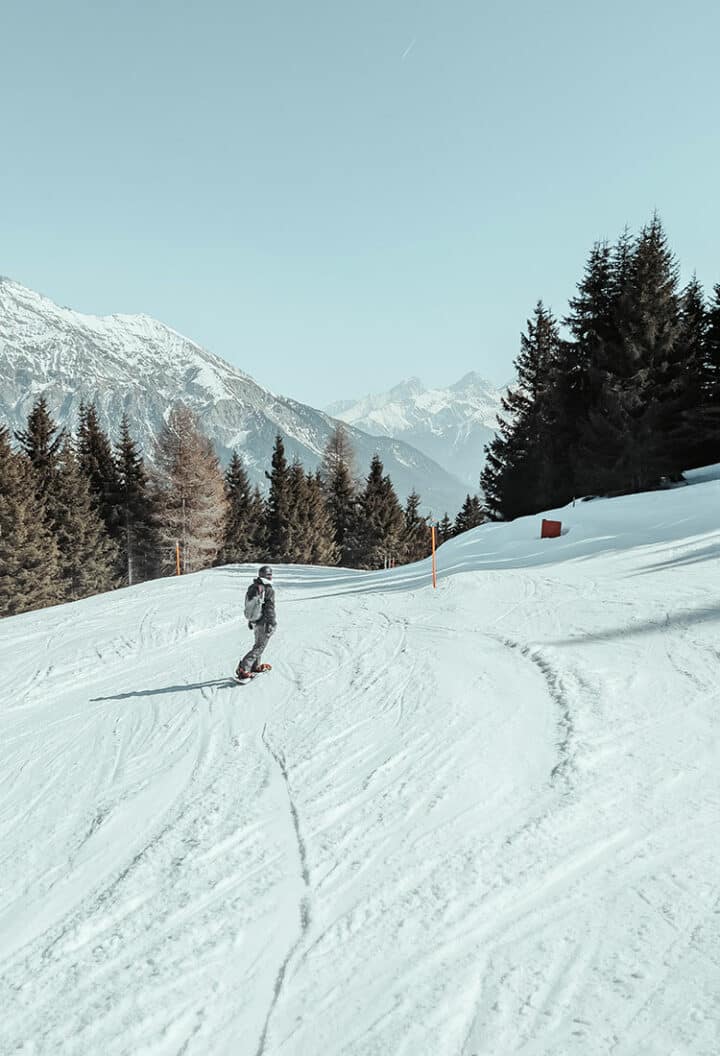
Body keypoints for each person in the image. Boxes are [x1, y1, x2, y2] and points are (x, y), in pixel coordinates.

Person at [236, 565, 276, 679]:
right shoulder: (268, 589)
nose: (271, 577)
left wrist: (251, 620)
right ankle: (244, 668)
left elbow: (249, 605)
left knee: (258, 643)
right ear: (267, 576)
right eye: (270, 574)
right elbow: (269, 608)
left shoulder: (253, 587)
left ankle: (255, 666)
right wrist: (271, 622)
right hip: (264, 622)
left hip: (255, 620)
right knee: (260, 646)